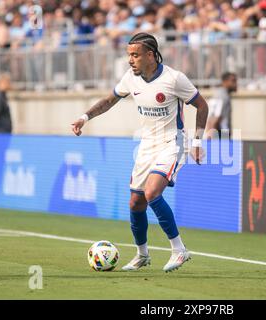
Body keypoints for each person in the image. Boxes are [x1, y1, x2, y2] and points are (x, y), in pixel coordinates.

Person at [71, 32, 209, 272]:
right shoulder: (130, 78)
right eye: (128, 55)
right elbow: (109, 100)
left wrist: (197, 142)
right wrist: (85, 117)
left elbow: (202, 105)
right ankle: (142, 254)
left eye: (135, 55)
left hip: (172, 142)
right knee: (136, 202)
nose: (130, 60)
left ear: (150, 55)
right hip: (146, 144)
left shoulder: (174, 79)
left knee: (152, 192)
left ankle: (179, 249)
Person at [205, 72, 237, 140]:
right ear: (225, 81)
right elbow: (215, 117)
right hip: (221, 135)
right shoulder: (223, 96)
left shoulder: (220, 93)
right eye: (233, 81)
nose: (235, 84)